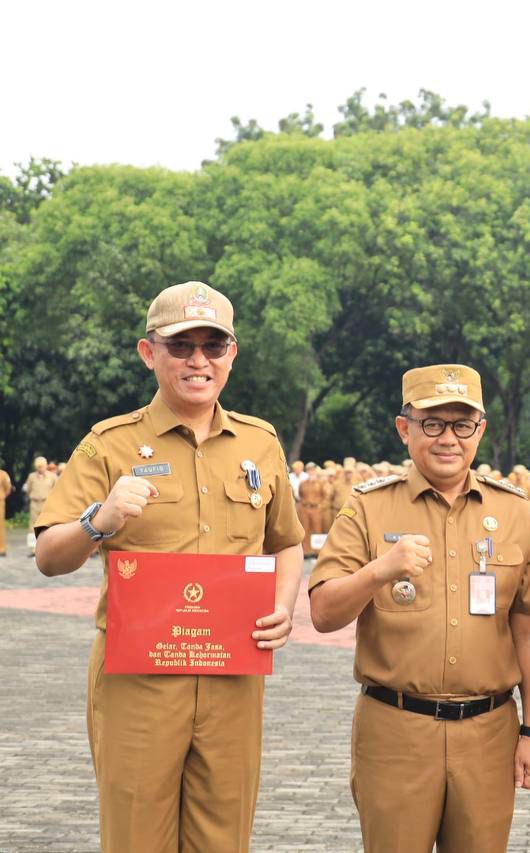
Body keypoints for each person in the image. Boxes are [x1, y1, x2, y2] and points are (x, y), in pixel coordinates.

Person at [32, 281, 304, 853]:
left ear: (233, 353)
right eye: (181, 346)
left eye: (213, 345)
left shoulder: (260, 443)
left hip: (232, 676)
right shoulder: (109, 444)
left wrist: (282, 606)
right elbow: (49, 555)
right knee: (136, 836)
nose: (198, 360)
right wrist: (97, 522)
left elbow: (286, 543)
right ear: (148, 352)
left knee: (224, 837)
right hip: (138, 680)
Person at [308, 363, 530, 853]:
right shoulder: (368, 508)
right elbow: (324, 612)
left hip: (488, 733)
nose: (448, 439)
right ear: (405, 428)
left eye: (463, 425)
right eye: (432, 424)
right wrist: (380, 570)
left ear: (480, 430)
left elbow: (528, 627)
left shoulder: (515, 512)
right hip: (396, 732)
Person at [23, 455, 57, 551]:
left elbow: (56, 489)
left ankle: (48, 547)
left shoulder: (52, 477)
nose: (41, 468)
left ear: (46, 466)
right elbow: (28, 490)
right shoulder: (31, 477)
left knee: (47, 525)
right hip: (34, 503)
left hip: (46, 503)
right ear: (36, 467)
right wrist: (33, 497)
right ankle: (33, 548)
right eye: (39, 467)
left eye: (42, 466)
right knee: (33, 525)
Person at [0, 463, 12, 555]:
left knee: (0, 525)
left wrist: (2, 496)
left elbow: (8, 488)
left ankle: (2, 548)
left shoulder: (3, 474)